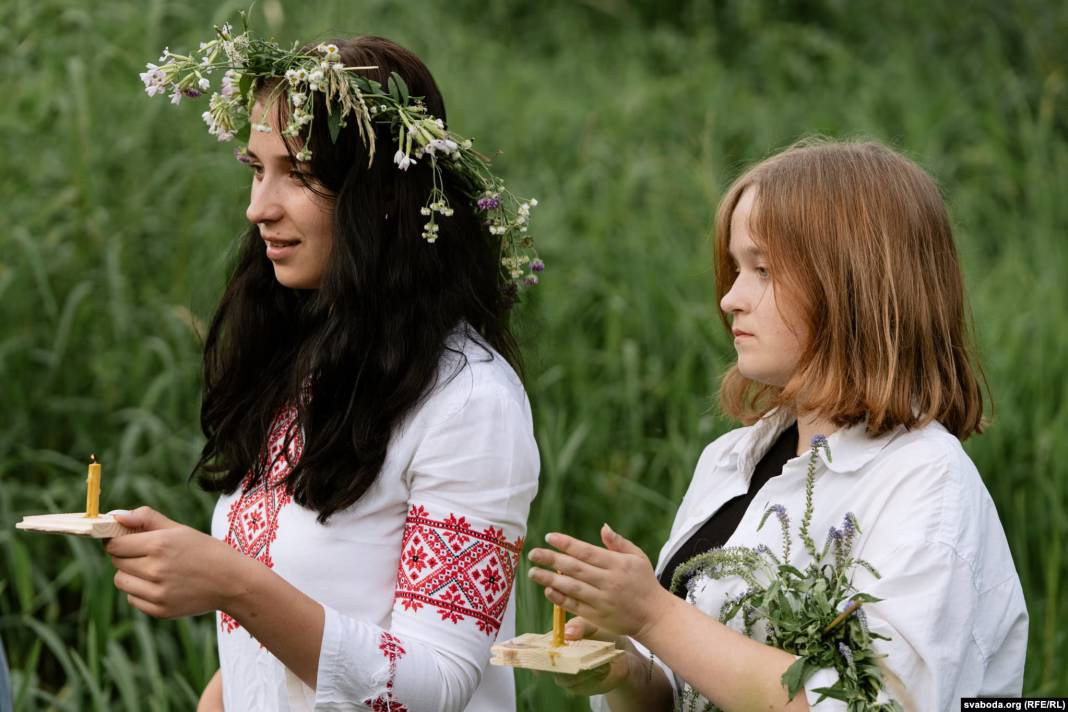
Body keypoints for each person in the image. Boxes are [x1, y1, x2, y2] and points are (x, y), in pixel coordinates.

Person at [108, 28, 542, 711]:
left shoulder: (469, 404)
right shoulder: (310, 360)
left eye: (299, 175)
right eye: (256, 169)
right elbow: (270, 645)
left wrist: (233, 583)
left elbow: (435, 688)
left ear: (383, 194)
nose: (258, 207)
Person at [527, 140, 1027, 710]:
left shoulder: (927, 481)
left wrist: (654, 616)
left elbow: (874, 703)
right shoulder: (731, 459)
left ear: (852, 285)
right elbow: (688, 688)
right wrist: (628, 673)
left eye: (762, 270)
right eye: (736, 268)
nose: (729, 299)